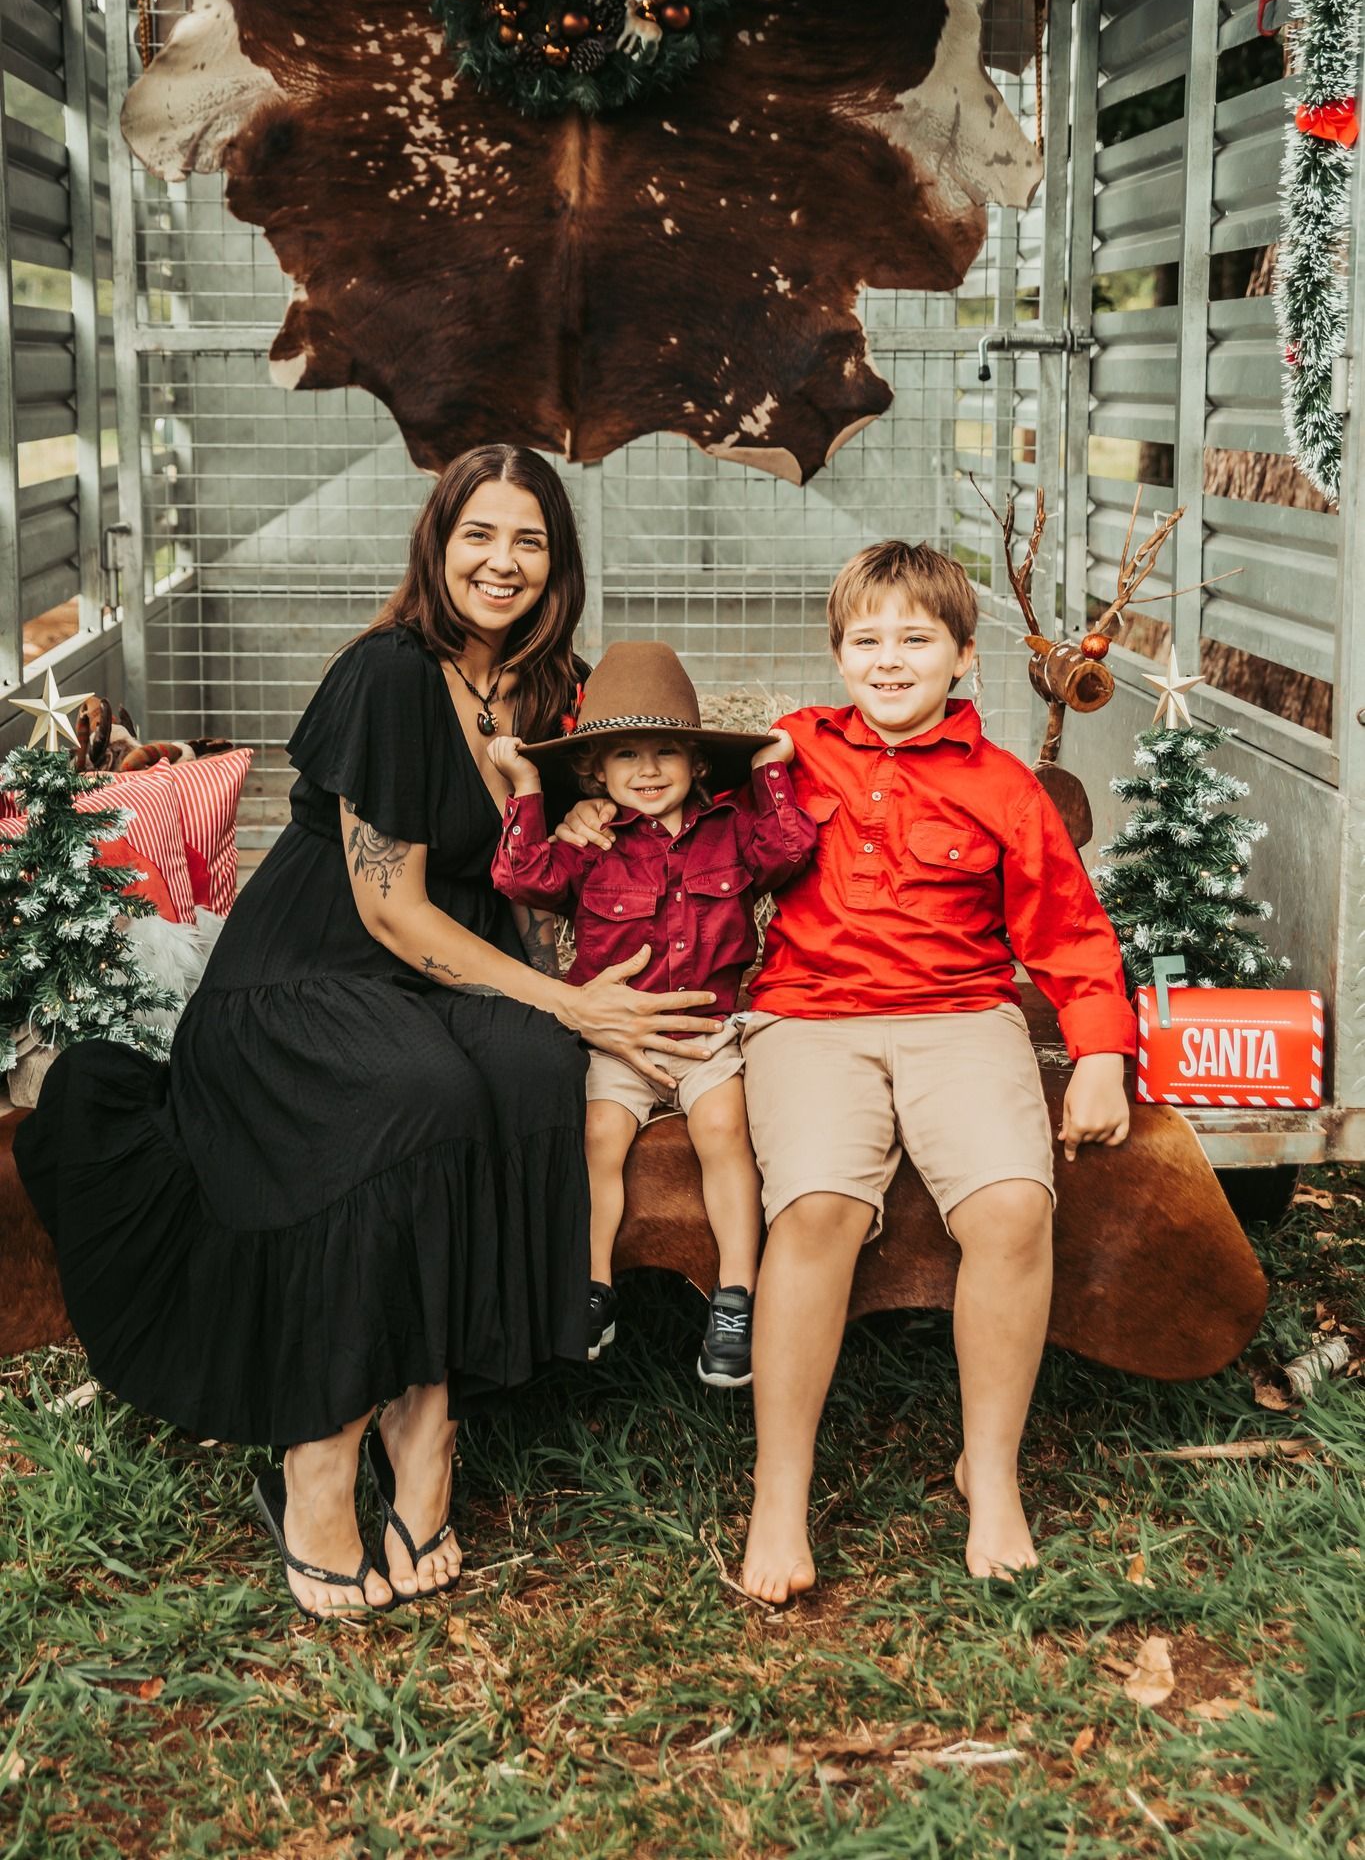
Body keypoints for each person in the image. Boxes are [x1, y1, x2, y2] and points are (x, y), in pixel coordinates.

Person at [16, 445, 723, 1622]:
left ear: (560, 564)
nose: (502, 562)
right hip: (310, 970)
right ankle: (322, 1449)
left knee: (530, 1069)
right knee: (423, 1090)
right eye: (478, 535)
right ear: (436, 544)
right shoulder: (388, 675)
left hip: (453, 971)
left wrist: (590, 812)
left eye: (529, 540)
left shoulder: (554, 690)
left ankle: (429, 1413)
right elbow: (389, 906)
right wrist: (573, 996)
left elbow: (637, 807)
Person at [732, 540, 1136, 1599]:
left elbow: (1070, 931)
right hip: (809, 1018)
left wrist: (1099, 1051)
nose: (891, 658)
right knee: (815, 1203)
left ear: (963, 656)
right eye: (867, 639)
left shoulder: (1005, 789)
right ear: (838, 655)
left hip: (960, 1016)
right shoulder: (791, 751)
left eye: (917, 638)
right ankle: (782, 1483)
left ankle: (989, 1469)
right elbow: (673, 800)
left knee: (1009, 1202)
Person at [486, 642, 818, 1386]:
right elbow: (518, 873)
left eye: (666, 751)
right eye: (624, 754)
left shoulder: (731, 829)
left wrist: (768, 768)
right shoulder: (593, 841)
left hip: (708, 1036)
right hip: (617, 1042)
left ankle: (735, 1295)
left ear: (698, 763)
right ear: (593, 772)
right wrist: (527, 786)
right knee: (600, 1132)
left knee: (725, 1131)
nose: (646, 769)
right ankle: (593, 1288)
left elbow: (790, 847)